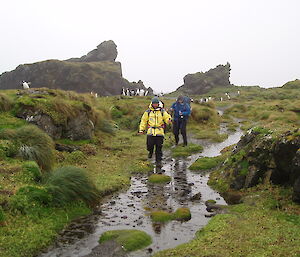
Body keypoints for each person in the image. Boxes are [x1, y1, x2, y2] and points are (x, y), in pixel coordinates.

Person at [139, 97, 172, 165]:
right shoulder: (148, 112)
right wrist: (141, 129)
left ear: (158, 104)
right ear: (152, 103)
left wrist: (168, 120)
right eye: (154, 103)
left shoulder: (162, 111)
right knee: (149, 145)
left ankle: (158, 161)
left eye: (156, 103)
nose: (155, 104)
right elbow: (143, 121)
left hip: (159, 132)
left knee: (159, 147)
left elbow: (166, 117)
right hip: (150, 132)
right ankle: (150, 152)